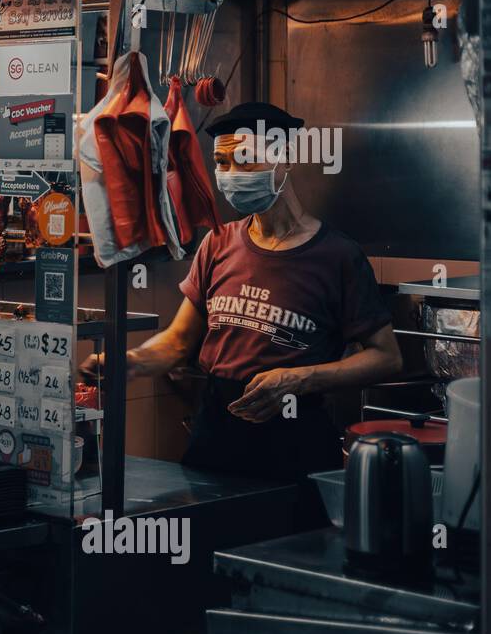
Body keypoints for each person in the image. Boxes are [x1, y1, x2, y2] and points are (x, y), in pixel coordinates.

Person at [80, 102, 403, 480]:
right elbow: (178, 343)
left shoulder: (337, 256)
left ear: (285, 159)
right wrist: (128, 362)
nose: (231, 174)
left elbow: (387, 358)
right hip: (216, 434)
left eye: (246, 160)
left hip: (294, 438)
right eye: (222, 162)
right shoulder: (218, 243)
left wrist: (300, 378)